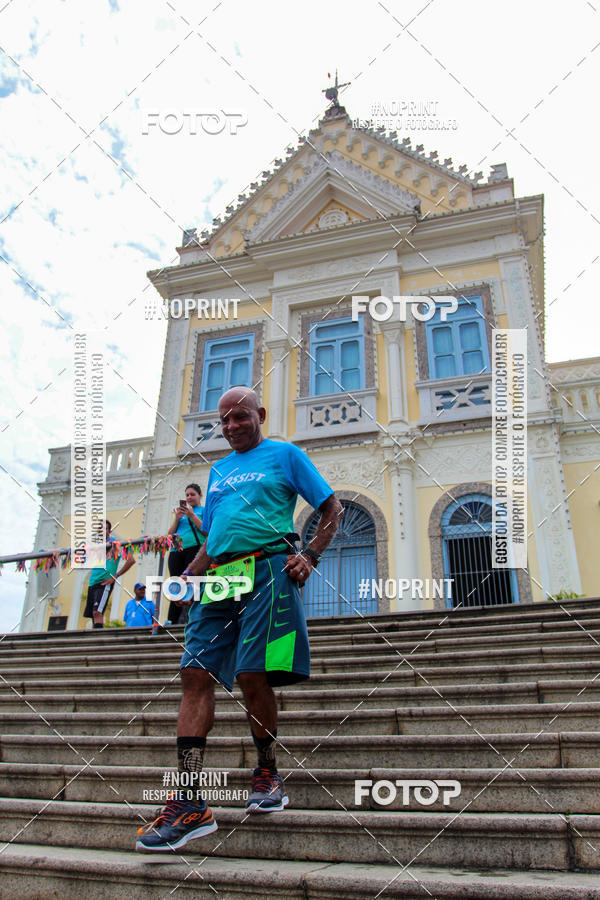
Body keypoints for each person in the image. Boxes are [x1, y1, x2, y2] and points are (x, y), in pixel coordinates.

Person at [136, 386, 342, 853]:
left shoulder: (286, 455)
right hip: (219, 579)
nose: (231, 426)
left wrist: (310, 554)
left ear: (260, 414)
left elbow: (332, 509)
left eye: (240, 416)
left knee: (253, 674)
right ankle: (189, 802)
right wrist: (188, 575)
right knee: (194, 673)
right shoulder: (219, 470)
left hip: (268, 569)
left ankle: (267, 771)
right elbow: (213, 538)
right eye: (224, 420)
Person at [165, 483, 205, 625]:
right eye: (187, 495)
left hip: (195, 550)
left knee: (193, 583)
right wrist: (177, 518)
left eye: (192, 494)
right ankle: (172, 619)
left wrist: (192, 515)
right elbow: (170, 536)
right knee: (176, 583)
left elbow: (206, 530)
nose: (189, 497)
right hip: (177, 551)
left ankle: (194, 618)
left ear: (200, 495)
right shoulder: (181, 515)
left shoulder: (203, 511)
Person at [83, 520, 135, 628]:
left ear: (109, 531)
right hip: (93, 582)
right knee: (93, 615)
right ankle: (95, 635)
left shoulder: (116, 543)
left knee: (97, 612)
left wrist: (115, 577)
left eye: (105, 528)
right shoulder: (96, 546)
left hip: (104, 582)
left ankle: (98, 638)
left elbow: (131, 560)